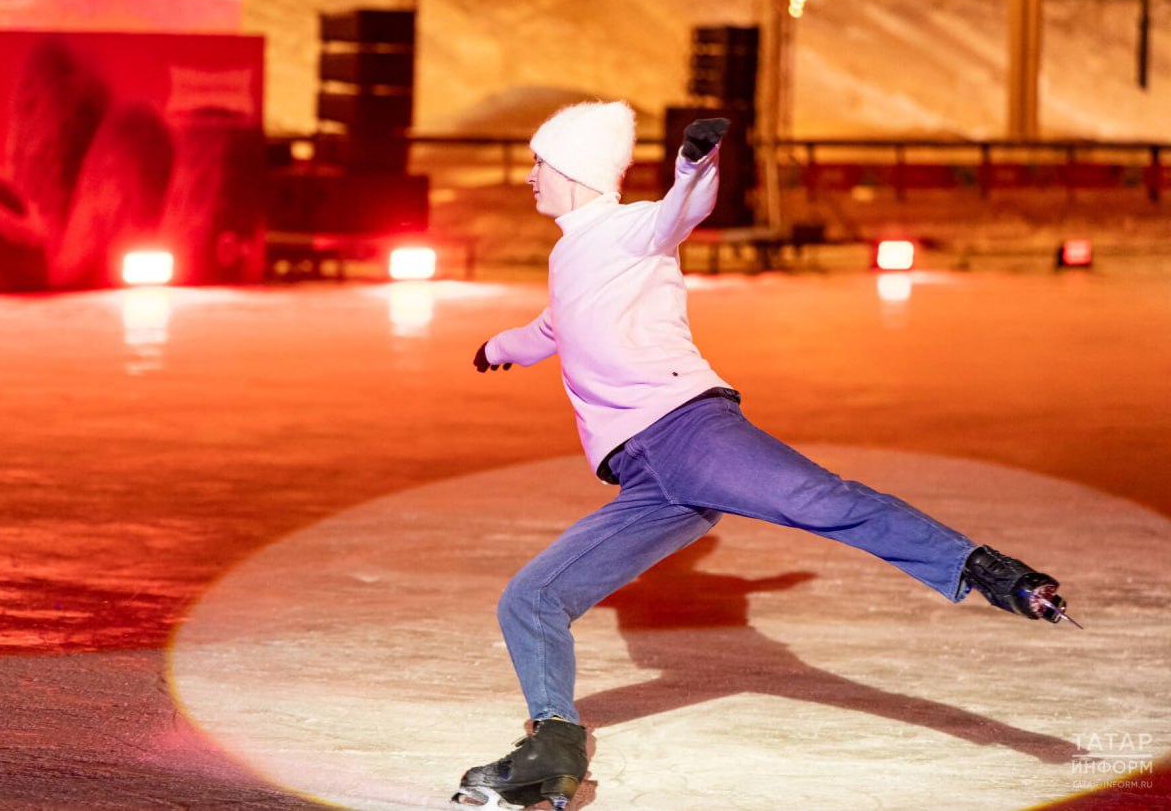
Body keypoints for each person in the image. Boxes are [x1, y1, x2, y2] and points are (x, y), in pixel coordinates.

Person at [451, 100, 1074, 811]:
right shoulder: (570, 253)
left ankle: (989, 571)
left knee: (825, 500)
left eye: (538, 162)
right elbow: (555, 324)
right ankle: (554, 746)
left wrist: (694, 164)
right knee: (530, 598)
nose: (529, 176)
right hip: (649, 481)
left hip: (689, 432)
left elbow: (679, 212)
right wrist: (500, 347)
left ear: (572, 169)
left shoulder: (630, 228)